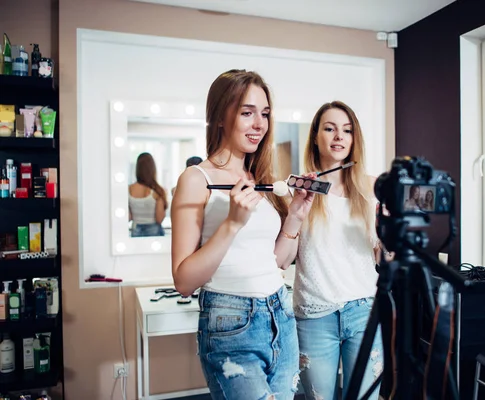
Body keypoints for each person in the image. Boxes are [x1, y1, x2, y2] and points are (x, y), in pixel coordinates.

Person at [170, 69, 315, 400]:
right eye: (247, 112)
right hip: (231, 323)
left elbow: (275, 261)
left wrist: (294, 217)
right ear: (222, 115)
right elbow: (183, 281)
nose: (259, 124)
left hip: (281, 314)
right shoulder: (197, 178)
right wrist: (232, 223)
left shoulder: (260, 177)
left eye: (264, 114)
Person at [293, 101, 384, 400]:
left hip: (363, 311)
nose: (338, 136)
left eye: (347, 130)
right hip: (315, 315)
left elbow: (381, 256)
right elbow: (283, 252)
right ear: (316, 137)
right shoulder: (302, 189)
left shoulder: (371, 189)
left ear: (354, 139)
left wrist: (390, 239)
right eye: (329, 129)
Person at [128, 152, 168, 237]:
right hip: (154, 230)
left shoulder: (129, 189)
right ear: (152, 169)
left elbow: (129, 217)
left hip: (136, 230)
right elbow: (159, 219)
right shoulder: (158, 191)